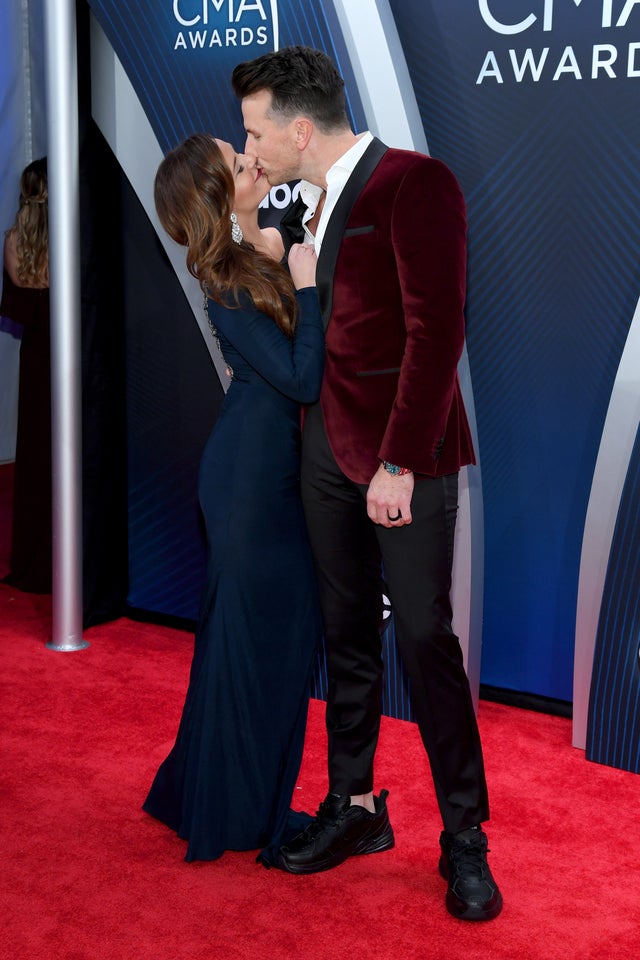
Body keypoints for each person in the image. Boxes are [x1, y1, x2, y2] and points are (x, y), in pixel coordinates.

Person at [232, 47, 502, 920]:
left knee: (425, 643)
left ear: (299, 129)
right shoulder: (299, 202)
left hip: (399, 460)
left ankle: (465, 837)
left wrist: (399, 463)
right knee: (345, 638)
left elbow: (436, 332)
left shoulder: (416, 184)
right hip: (323, 456)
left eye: (255, 131)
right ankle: (354, 809)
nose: (251, 147)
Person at [142, 133, 325, 865]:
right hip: (252, 488)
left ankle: (214, 793)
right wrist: (307, 285)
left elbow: (285, 232)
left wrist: (291, 247)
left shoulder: (250, 256)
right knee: (258, 650)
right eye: (237, 159)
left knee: (260, 648)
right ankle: (236, 808)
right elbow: (302, 377)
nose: (253, 161)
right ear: (218, 193)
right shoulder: (227, 280)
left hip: (268, 475)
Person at [0, 157, 52, 594]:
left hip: (38, 361)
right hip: (72, 359)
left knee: (37, 456)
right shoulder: (73, 241)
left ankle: (35, 557)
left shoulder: (15, 241)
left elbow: (19, 309)